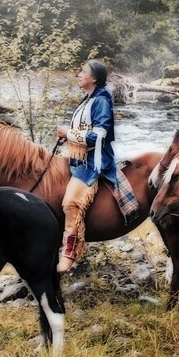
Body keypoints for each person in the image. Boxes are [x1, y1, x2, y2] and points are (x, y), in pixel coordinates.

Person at [55, 59, 118, 273]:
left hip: (93, 161)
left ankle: (69, 254)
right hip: (77, 156)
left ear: (94, 79)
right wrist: (69, 138)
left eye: (83, 72)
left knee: (70, 203)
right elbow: (84, 128)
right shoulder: (88, 99)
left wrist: (70, 134)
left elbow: (99, 136)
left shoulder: (101, 100)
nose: (79, 74)